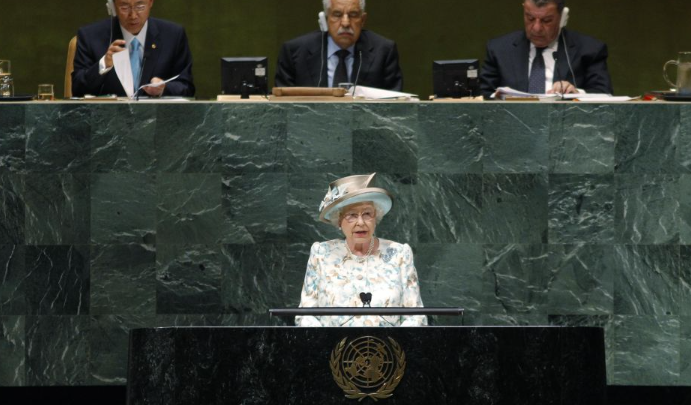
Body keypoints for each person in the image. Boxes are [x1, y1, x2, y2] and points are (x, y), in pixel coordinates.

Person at [296, 173, 427, 327]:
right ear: (339, 220)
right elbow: (305, 315)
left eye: (367, 214)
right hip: (333, 348)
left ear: (376, 217)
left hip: (388, 348)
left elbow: (416, 316)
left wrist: (393, 345)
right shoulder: (321, 254)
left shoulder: (399, 253)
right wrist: (327, 343)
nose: (360, 222)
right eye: (351, 215)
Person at [479, 0, 612, 97]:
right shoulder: (499, 49)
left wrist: (577, 94)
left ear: (562, 18)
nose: (536, 28)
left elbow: (604, 96)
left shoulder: (589, 50)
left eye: (546, 20)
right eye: (530, 18)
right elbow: (482, 96)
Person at [72, 0, 194, 97]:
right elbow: (77, 89)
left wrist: (164, 89)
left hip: (158, 122)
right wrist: (104, 64)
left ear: (151, 2)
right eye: (124, 7)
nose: (133, 15)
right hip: (107, 122)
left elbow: (187, 87)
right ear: (113, 6)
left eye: (140, 6)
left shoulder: (173, 35)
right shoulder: (90, 36)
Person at [275, 0, 403, 91]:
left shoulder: (384, 51)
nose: (346, 23)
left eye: (353, 15)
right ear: (325, 19)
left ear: (363, 20)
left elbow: (396, 107)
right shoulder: (295, 52)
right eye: (337, 15)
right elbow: (282, 108)